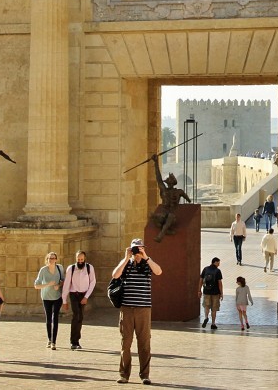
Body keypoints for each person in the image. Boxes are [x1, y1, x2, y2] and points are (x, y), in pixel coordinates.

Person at [111, 238, 162, 385]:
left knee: (144, 343)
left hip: (143, 309)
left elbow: (159, 271)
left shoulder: (147, 264)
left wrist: (146, 256)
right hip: (127, 309)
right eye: (135, 249)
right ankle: (124, 375)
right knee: (125, 343)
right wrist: (126, 257)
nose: (137, 252)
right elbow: (115, 275)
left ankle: (145, 375)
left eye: (139, 249)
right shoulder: (126, 264)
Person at [150, 153, 192, 242]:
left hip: (172, 217)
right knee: (155, 217)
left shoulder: (179, 192)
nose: (166, 182)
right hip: (164, 214)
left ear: (170, 182)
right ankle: (168, 231)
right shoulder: (164, 190)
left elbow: (188, 199)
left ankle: (160, 236)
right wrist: (156, 162)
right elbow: (158, 178)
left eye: (168, 180)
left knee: (170, 216)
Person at [63, 250, 96, 350]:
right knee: (76, 315)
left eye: (82, 259)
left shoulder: (90, 268)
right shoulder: (71, 269)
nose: (80, 261)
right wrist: (64, 300)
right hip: (74, 294)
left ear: (85, 259)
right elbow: (67, 284)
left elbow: (93, 282)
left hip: (84, 294)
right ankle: (74, 341)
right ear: (76, 259)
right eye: (78, 259)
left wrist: (86, 297)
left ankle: (77, 340)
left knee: (80, 317)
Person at [34, 252, 64, 350]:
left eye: (53, 258)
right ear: (47, 260)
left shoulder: (60, 268)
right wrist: (47, 285)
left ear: (56, 259)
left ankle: (54, 342)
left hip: (57, 296)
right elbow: (36, 285)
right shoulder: (43, 270)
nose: (51, 260)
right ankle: (49, 339)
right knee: (48, 318)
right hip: (46, 297)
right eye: (49, 258)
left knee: (55, 318)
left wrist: (58, 285)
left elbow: (63, 281)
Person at [199, 257, 224, 330]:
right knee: (214, 309)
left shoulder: (205, 269)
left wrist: (199, 290)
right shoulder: (217, 271)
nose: (219, 264)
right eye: (218, 262)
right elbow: (220, 283)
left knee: (206, 306)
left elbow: (200, 280)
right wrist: (221, 293)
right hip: (215, 293)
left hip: (206, 292)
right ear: (215, 262)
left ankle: (206, 317)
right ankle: (213, 324)